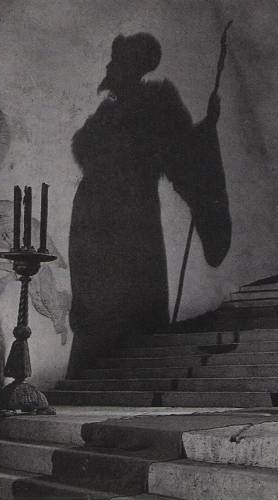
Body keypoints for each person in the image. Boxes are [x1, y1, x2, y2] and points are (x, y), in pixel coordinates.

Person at [67, 33, 231, 377]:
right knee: (95, 300)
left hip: (131, 216)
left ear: (133, 64)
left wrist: (206, 130)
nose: (109, 66)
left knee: (131, 295)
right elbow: (86, 149)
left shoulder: (158, 103)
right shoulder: (109, 108)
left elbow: (183, 155)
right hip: (93, 219)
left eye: (116, 60)